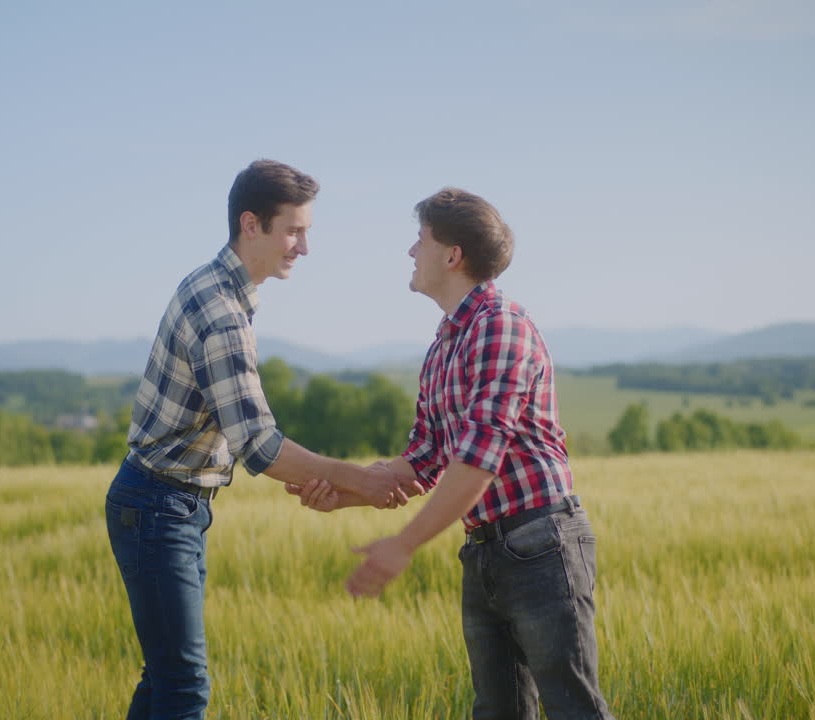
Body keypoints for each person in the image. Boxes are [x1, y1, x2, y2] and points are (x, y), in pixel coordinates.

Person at [104, 159, 421, 720]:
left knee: (165, 679)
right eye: (293, 231)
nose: (304, 247)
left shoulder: (215, 287)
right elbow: (260, 446)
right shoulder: (222, 312)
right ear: (251, 225)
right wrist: (365, 483)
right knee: (184, 688)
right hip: (158, 508)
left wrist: (346, 483)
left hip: (165, 504)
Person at [288, 188, 615, 720]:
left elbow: (478, 461)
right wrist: (341, 494)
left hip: (540, 544)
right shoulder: (445, 343)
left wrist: (403, 544)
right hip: (484, 549)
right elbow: (423, 459)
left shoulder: (498, 326)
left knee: (572, 708)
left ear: (452, 255)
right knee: (497, 712)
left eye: (420, 240)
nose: (410, 253)